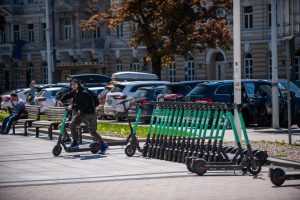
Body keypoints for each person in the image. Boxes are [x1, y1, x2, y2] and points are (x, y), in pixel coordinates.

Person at [56, 79, 109, 154]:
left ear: (78, 84)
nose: (73, 86)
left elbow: (84, 105)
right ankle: (75, 142)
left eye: (75, 84)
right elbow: (68, 94)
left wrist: (72, 106)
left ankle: (103, 145)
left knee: (92, 131)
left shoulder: (84, 93)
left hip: (89, 114)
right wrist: (61, 100)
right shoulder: (75, 91)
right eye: (72, 84)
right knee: (73, 124)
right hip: (82, 113)